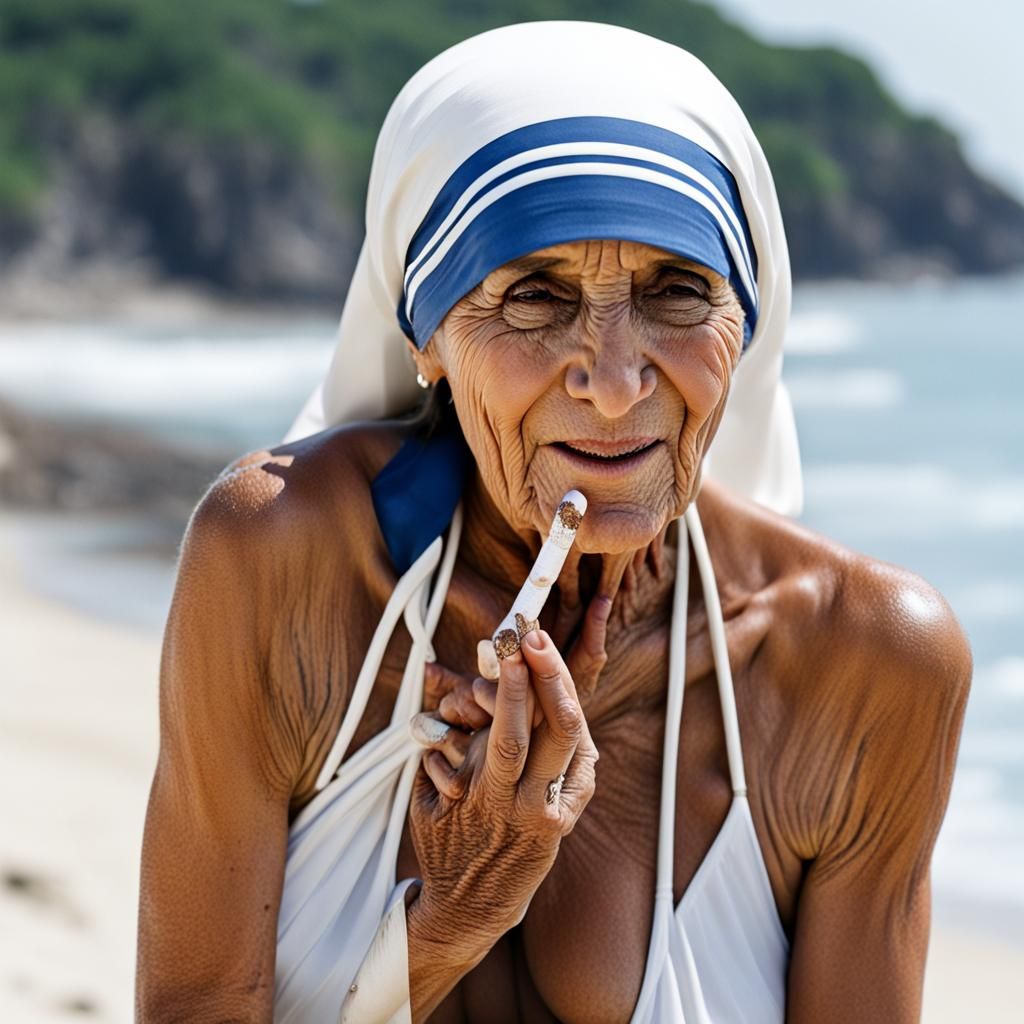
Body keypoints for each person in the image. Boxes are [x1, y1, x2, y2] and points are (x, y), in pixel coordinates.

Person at [135, 21, 971, 1024]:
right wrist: (453, 919)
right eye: (535, 296)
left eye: (677, 292)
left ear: (746, 323)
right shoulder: (284, 566)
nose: (615, 386)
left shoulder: (861, 662)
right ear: (427, 334)